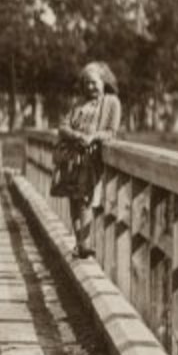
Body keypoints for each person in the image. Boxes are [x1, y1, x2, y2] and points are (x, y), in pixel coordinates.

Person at [52, 61, 122, 259]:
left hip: (90, 159)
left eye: (94, 82)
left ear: (104, 81)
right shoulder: (78, 103)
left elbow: (111, 131)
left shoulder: (112, 102)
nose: (90, 87)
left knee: (85, 199)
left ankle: (85, 243)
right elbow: (63, 126)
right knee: (73, 199)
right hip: (72, 158)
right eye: (86, 83)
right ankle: (79, 243)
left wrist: (93, 137)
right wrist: (77, 136)